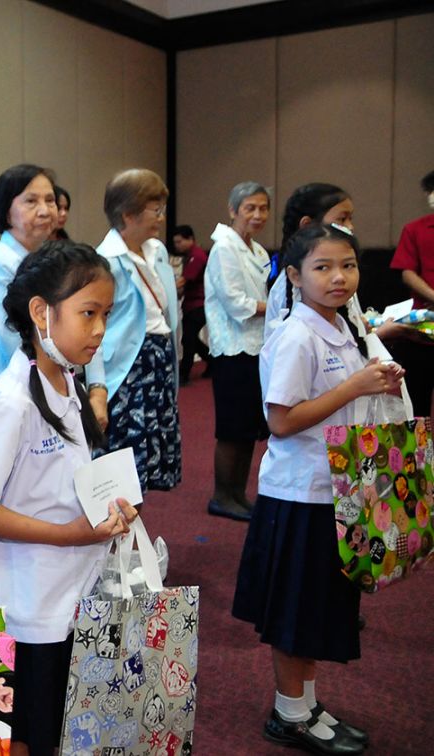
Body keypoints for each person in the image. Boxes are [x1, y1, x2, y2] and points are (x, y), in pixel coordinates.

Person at [0, 240, 137, 756]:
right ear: (41, 312)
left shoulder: (68, 383)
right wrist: (66, 534)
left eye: (106, 314)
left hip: (72, 595)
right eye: (88, 313)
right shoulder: (9, 401)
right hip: (28, 612)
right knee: (26, 735)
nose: (100, 329)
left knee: (65, 725)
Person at [233, 224, 402, 755]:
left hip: (336, 490)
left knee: (317, 609)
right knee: (295, 612)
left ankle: (306, 706)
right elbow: (281, 421)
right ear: (294, 275)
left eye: (347, 265)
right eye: (323, 267)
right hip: (298, 494)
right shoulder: (297, 333)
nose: (338, 277)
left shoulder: (341, 326)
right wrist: (355, 385)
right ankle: (289, 714)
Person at [85, 169, 181, 491]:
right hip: (127, 372)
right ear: (128, 214)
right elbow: (94, 329)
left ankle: (132, 538)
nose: (161, 218)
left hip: (158, 364)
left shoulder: (157, 251)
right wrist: (97, 385)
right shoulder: (105, 261)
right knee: (124, 467)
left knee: (149, 466)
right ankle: (117, 537)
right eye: (155, 210)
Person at [203, 182, 272, 520]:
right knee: (231, 428)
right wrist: (276, 306)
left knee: (247, 428)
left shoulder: (257, 250)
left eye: (263, 208)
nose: (257, 215)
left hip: (256, 346)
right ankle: (221, 495)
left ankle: (238, 494)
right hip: (232, 348)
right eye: (250, 208)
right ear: (233, 211)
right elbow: (235, 303)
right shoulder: (224, 248)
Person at [0, 164, 58, 384]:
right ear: (6, 212)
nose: (45, 210)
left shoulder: (51, 260)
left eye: (50, 200)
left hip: (45, 375)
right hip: (11, 382)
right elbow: (10, 337)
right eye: (31, 201)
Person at [265, 183, 355, 332]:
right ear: (307, 225)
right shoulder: (289, 289)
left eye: (348, 266)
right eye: (342, 219)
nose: (350, 227)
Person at [388, 169, 434, 416]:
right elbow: (407, 271)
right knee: (417, 396)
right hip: (423, 325)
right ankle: (420, 452)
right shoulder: (415, 229)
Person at [173, 224, 211, 383]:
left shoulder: (197, 256)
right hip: (192, 303)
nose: (177, 245)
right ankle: (212, 363)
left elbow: (184, 280)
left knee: (188, 339)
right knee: (191, 339)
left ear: (190, 239)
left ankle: (184, 374)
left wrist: (165, 289)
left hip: (199, 304)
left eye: (180, 241)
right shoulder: (190, 255)